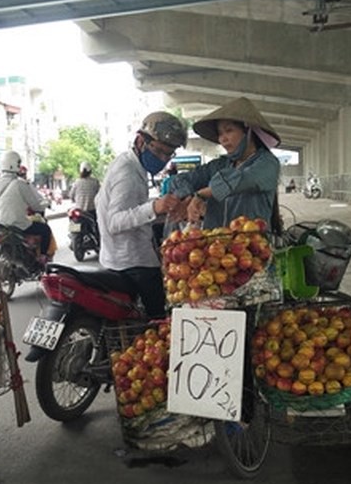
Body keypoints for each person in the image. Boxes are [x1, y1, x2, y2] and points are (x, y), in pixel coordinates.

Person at [95, 111, 185, 318]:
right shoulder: (127, 171)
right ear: (140, 141)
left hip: (119, 257)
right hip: (133, 263)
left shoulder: (131, 164)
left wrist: (160, 211)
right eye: (159, 151)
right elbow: (114, 222)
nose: (162, 159)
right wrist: (154, 208)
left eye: (168, 154)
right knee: (159, 319)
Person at [170, 97, 281, 232]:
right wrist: (186, 198)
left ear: (249, 132)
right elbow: (180, 179)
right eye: (220, 133)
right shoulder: (219, 165)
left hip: (251, 248)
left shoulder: (267, 163)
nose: (222, 139)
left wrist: (200, 195)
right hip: (215, 248)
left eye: (229, 130)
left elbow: (242, 179)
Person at [0, 150, 54, 258]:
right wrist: (46, 204)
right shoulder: (20, 184)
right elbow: (36, 205)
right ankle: (42, 257)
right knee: (45, 229)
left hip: (2, 226)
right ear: (16, 165)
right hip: (19, 225)